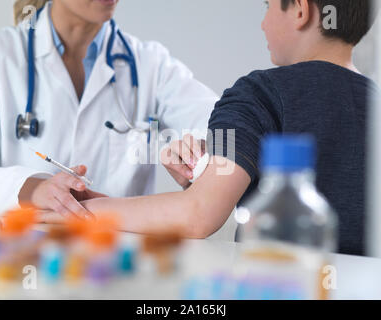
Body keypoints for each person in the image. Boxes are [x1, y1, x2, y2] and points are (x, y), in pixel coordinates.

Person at [39, 0, 380, 256]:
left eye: (267, 6)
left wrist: (82, 212)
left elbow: (198, 215)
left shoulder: (260, 93)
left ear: (301, 10)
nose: (262, 24)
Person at [0, 0, 218, 219]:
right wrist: (33, 188)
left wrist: (196, 156)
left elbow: (227, 128)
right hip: (23, 253)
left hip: (120, 254)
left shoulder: (151, 64)